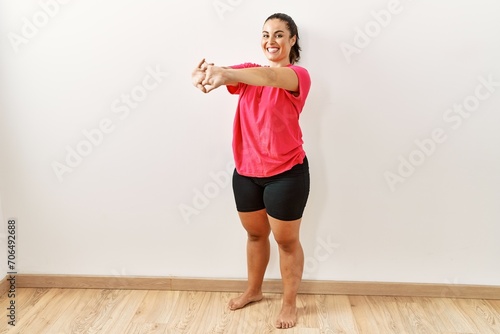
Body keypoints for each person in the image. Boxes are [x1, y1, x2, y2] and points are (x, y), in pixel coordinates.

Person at [191, 13, 311, 329]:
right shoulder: (246, 73)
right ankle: (254, 291)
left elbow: (270, 78)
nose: (271, 41)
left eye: (279, 35)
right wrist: (206, 77)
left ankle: (288, 304)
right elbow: (224, 78)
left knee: (287, 242)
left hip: (286, 172)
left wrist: (226, 72)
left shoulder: (297, 75)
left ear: (292, 40)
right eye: (265, 34)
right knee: (255, 234)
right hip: (246, 172)